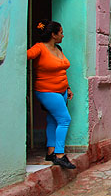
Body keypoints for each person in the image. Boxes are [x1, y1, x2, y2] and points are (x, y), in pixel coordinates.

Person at [27, 20, 76, 169]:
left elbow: (61, 70)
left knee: (53, 120)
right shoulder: (39, 48)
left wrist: (67, 88)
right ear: (53, 34)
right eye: (60, 32)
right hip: (46, 91)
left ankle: (51, 151)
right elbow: (25, 55)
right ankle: (60, 155)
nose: (63, 34)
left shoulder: (58, 48)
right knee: (65, 119)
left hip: (61, 91)